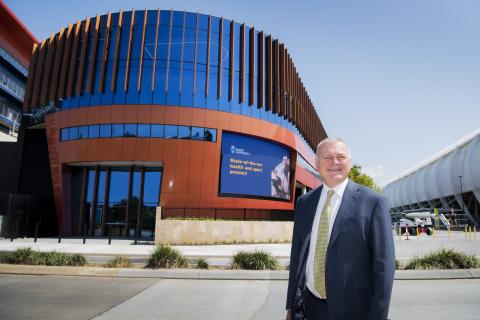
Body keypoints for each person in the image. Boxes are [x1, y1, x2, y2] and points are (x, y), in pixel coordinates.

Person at [285, 137, 395, 320]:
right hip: (311, 308)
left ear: (349, 163)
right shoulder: (305, 203)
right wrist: (291, 307)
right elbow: (297, 258)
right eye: (327, 156)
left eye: (341, 157)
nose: (335, 162)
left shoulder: (374, 203)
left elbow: (384, 267)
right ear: (316, 163)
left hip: (355, 310)